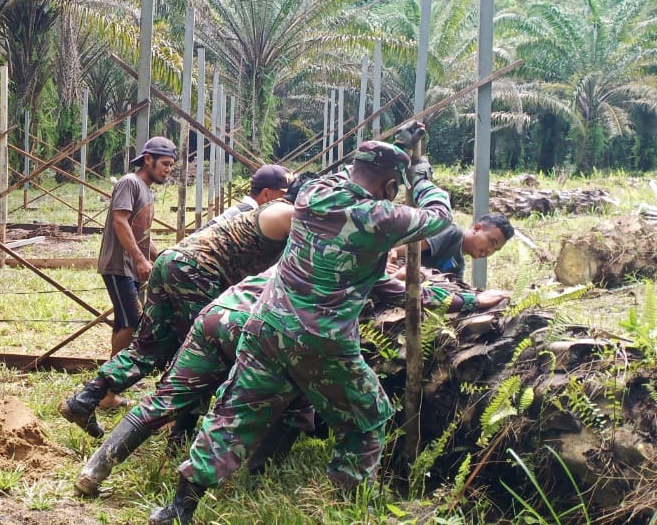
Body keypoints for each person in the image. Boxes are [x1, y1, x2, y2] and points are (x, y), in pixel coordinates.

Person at [150, 139, 507, 524]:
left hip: (266, 326)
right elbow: (439, 217)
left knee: (231, 416)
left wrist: (465, 303)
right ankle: (345, 504)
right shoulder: (381, 218)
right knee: (369, 416)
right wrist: (421, 177)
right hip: (323, 341)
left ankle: (178, 509)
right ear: (390, 186)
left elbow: (386, 281)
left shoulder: (313, 196)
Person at [75, 265, 507, 496]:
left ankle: (96, 469)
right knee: (294, 408)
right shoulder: (356, 266)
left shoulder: (307, 247)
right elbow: (417, 294)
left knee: (167, 399)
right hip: (264, 333)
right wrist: (474, 299)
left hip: (219, 315)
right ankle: (253, 478)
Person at [58, 173, 311, 441]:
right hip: (197, 271)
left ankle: (84, 400)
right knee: (205, 353)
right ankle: (181, 433)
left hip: (174, 261)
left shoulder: (272, 209)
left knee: (149, 346)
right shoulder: (292, 214)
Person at [94, 135, 177, 410]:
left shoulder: (146, 190)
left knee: (125, 322)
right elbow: (120, 222)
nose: (167, 169)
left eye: (171, 165)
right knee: (131, 322)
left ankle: (110, 385)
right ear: (148, 159)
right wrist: (140, 261)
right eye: (164, 163)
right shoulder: (129, 183)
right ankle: (107, 390)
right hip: (119, 265)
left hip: (131, 267)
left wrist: (162, 258)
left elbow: (142, 233)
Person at [389, 213, 514, 279]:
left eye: (496, 249)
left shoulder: (458, 265)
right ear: (477, 228)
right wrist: (390, 254)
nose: (490, 250)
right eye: (492, 242)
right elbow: (405, 248)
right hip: (390, 271)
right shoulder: (453, 232)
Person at [199, 164, 294, 229]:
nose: (288, 201)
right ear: (266, 194)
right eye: (284, 195)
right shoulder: (248, 217)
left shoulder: (244, 212)